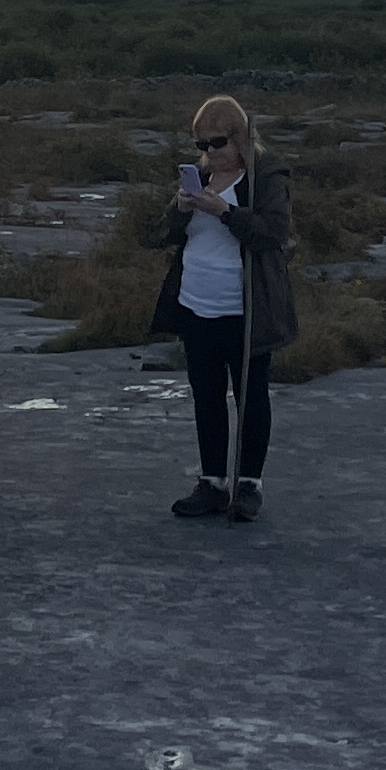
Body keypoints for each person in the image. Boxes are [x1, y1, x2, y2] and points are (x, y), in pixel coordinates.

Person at [149, 92, 297, 523]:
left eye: (216, 144)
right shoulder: (197, 177)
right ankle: (212, 483)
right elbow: (159, 234)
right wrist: (180, 210)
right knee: (206, 397)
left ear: (240, 140)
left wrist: (225, 211)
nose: (209, 154)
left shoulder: (264, 178)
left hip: (246, 309)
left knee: (251, 396)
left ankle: (248, 485)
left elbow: (272, 233)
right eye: (201, 146)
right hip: (198, 304)